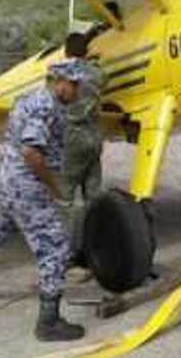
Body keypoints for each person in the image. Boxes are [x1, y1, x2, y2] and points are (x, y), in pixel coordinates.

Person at [0, 60, 91, 342]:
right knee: (55, 247)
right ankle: (49, 323)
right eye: (75, 85)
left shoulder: (27, 99)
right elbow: (32, 152)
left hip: (7, 180)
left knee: (0, 228)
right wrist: (54, 186)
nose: (78, 91)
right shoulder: (46, 107)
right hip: (27, 185)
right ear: (60, 82)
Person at [56, 33, 103, 265]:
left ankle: (65, 252)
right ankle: (92, 249)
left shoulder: (59, 72)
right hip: (94, 136)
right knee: (92, 195)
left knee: (64, 197)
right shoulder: (97, 73)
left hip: (72, 136)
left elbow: (54, 99)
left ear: (66, 51)